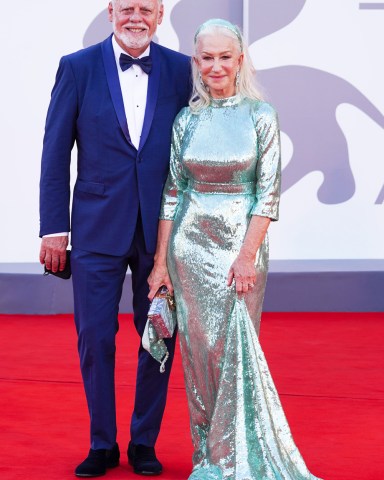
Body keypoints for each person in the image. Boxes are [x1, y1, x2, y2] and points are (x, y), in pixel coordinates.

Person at [148, 18, 322, 480]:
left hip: (240, 248)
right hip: (188, 247)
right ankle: (207, 457)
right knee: (199, 354)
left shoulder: (261, 115)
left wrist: (247, 256)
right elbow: (172, 191)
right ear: (196, 62)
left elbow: (267, 195)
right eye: (207, 57)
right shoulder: (187, 119)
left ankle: (238, 457)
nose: (216, 65)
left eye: (225, 56)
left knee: (234, 349)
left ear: (240, 60)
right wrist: (160, 262)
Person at [39, 0, 191, 477]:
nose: (135, 17)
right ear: (110, 12)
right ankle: (102, 443)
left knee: (158, 337)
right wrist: (53, 229)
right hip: (95, 230)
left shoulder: (184, 71)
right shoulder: (77, 68)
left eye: (145, 8)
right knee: (95, 338)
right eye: (126, 7)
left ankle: (143, 441)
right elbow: (54, 150)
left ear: (160, 15)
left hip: (161, 235)